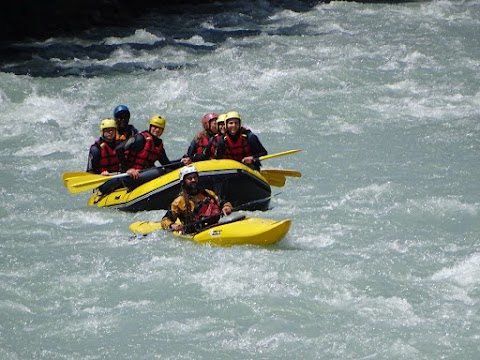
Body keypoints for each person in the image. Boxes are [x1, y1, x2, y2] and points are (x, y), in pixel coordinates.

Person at [161, 165, 233, 233]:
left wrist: (227, 207)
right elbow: (165, 220)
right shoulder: (179, 201)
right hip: (195, 233)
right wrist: (173, 225)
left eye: (195, 177)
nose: (193, 180)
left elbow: (223, 202)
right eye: (190, 178)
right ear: (183, 182)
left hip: (215, 228)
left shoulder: (208, 193)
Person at [115, 115, 188, 180]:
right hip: (130, 176)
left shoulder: (158, 145)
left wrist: (181, 162)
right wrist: (128, 169)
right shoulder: (140, 138)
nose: (157, 130)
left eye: (160, 128)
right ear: (150, 127)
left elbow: (166, 164)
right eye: (155, 127)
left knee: (165, 170)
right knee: (161, 171)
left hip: (144, 174)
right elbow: (119, 149)